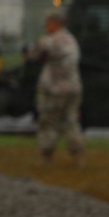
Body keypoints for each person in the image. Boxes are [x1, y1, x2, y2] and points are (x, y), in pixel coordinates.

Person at [28, 9, 85, 167]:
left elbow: (33, 55)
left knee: (48, 122)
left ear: (55, 23)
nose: (46, 26)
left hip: (54, 89)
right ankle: (78, 157)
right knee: (71, 121)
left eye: (48, 23)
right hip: (74, 88)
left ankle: (46, 157)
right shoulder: (72, 40)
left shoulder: (49, 40)